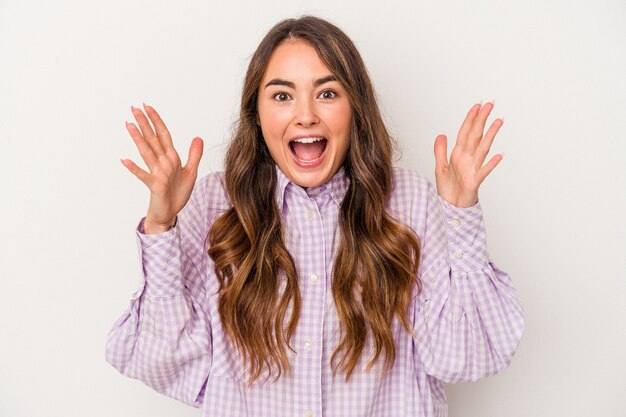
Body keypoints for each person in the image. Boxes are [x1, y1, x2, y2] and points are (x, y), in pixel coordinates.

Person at [105, 15, 524, 417]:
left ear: (355, 108)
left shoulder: (409, 200)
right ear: (257, 114)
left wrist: (460, 214)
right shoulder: (216, 205)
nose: (305, 114)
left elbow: (465, 356)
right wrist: (161, 227)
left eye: (327, 93)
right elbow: (164, 362)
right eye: (282, 96)